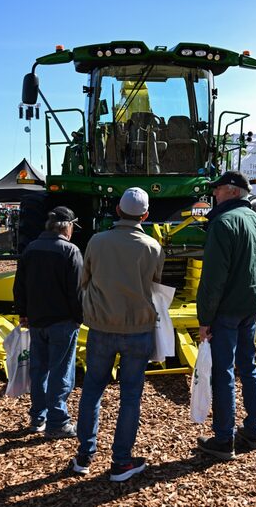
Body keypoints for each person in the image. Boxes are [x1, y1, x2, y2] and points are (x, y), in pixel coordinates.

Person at [72, 187, 164, 482]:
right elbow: (155, 286)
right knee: (130, 396)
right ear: (146, 215)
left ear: (117, 211)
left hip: (101, 327)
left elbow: (84, 279)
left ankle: (83, 456)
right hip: (138, 329)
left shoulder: (96, 242)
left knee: (92, 391)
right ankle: (121, 461)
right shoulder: (153, 247)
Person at [195, 170, 256, 461]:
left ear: (231, 191)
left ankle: (224, 438)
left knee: (223, 371)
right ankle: (254, 431)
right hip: (252, 306)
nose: (214, 194)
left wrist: (205, 320)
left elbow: (212, 279)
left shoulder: (223, 223)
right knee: (249, 367)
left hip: (226, 309)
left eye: (217, 189)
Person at [13, 206, 83, 439]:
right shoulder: (70, 251)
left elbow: (19, 285)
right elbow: (77, 292)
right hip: (62, 321)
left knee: (39, 370)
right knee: (60, 372)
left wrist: (23, 312)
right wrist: (79, 318)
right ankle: (58, 421)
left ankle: (37, 417)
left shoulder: (30, 249)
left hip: (36, 320)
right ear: (67, 227)